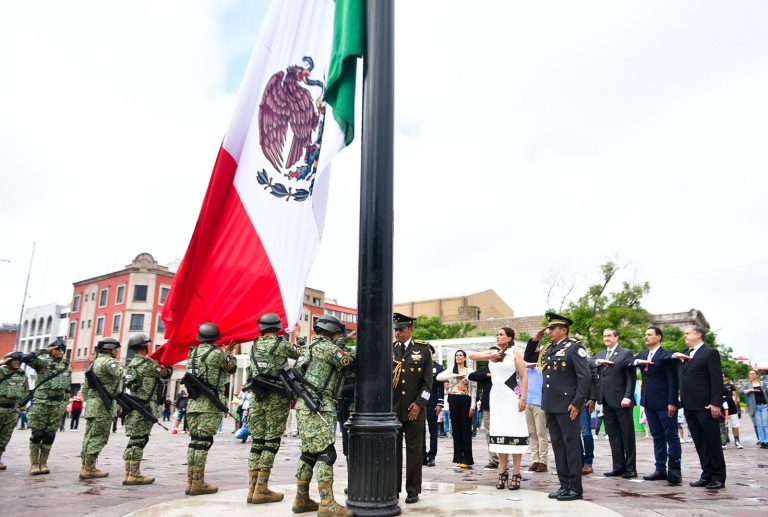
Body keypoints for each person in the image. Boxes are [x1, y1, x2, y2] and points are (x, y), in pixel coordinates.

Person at [293, 314, 355, 516]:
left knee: (309, 453)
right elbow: (347, 361)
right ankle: (327, 502)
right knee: (327, 453)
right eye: (338, 334)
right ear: (334, 333)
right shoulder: (328, 348)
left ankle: (301, 499)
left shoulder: (311, 347)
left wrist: (345, 341)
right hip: (319, 406)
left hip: (305, 405)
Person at [244, 313, 299, 505]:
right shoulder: (281, 344)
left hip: (257, 397)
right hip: (276, 397)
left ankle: (252, 488)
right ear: (277, 328)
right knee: (271, 442)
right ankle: (262, 488)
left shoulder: (255, 345)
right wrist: (296, 336)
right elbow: (300, 354)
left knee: (257, 442)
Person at [537, 312, 591, 502]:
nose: (549, 331)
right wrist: (534, 340)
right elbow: (530, 358)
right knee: (558, 446)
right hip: (551, 404)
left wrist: (577, 403)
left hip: (568, 405)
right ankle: (564, 485)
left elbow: (585, 377)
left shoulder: (574, 348)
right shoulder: (550, 348)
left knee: (572, 446)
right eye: (550, 328)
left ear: (563, 330)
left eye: (553, 329)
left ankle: (575, 488)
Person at [470, 328, 529, 490]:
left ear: (509, 338)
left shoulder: (515, 352)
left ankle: (516, 472)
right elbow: (472, 356)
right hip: (496, 397)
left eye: (501, 334)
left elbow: (524, 376)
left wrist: (523, 397)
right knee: (499, 435)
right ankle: (502, 471)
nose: (498, 336)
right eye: (497, 334)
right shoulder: (493, 352)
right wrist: (490, 356)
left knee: (514, 433)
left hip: (511, 396)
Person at [184, 322, 238, 496]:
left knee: (194, 442)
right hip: (209, 403)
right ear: (215, 338)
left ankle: (191, 481)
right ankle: (198, 483)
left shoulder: (192, 353)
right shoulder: (215, 354)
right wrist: (229, 352)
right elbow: (232, 367)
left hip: (193, 404)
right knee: (204, 443)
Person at [671, 326, 726, 490]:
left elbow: (716, 379)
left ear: (698, 335)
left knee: (712, 441)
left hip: (706, 405)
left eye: (687, 333)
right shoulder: (684, 353)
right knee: (700, 442)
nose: (684, 335)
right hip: (688, 405)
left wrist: (716, 403)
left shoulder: (710, 353)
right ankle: (706, 473)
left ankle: (718, 476)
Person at [627, 326, 682, 484]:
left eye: (649, 335)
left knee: (671, 436)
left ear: (659, 337)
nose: (646, 337)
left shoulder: (666, 355)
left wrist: (672, 401)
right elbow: (628, 362)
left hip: (665, 402)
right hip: (649, 402)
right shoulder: (643, 354)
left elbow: (673, 380)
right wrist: (638, 361)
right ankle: (660, 469)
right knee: (657, 436)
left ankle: (674, 470)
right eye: (645, 335)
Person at [392, 313, 433, 504]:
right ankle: (393, 488)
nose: (397, 333)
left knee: (415, 451)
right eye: (395, 330)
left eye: (401, 329)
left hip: (415, 409)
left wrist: (419, 404)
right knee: (394, 451)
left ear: (410, 330)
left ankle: (413, 489)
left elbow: (428, 384)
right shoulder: (390, 350)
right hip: (393, 409)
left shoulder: (423, 350)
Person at [122, 333, 173, 485]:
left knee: (134, 440)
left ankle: (128, 472)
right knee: (140, 440)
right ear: (145, 347)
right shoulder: (149, 365)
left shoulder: (130, 366)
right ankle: (134, 474)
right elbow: (165, 373)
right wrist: (168, 361)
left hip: (133, 405)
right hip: (145, 407)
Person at [590, 329, 637, 478]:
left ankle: (630, 468)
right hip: (606, 401)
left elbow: (631, 377)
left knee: (627, 435)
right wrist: (598, 361)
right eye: (604, 336)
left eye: (609, 335)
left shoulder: (625, 353)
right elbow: (588, 362)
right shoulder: (600, 355)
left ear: (617, 337)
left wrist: (628, 396)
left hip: (622, 400)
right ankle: (618, 466)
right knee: (613, 435)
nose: (606, 338)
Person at [22, 338, 72, 476]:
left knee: (50, 435)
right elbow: (25, 358)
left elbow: (68, 387)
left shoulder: (66, 365)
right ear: (51, 349)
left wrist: (65, 402)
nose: (59, 352)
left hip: (57, 405)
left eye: (61, 349)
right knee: (38, 434)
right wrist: (45, 350)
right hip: (41, 403)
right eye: (56, 349)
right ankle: (34, 464)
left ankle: (43, 463)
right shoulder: (42, 362)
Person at [79, 337, 124, 479]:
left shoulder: (93, 364)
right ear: (111, 350)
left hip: (92, 404)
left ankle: (85, 464)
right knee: (99, 436)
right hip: (103, 405)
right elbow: (124, 375)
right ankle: (89, 468)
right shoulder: (109, 362)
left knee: (89, 436)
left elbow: (85, 388)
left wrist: (90, 400)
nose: (116, 352)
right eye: (115, 349)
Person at [436, 349, 476, 469]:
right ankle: (458, 457)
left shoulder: (470, 371)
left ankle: (467, 458)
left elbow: (473, 388)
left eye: (460, 355)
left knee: (465, 429)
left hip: (465, 400)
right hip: (453, 399)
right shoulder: (451, 370)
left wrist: (473, 405)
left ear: (465, 358)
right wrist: (455, 375)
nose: (458, 357)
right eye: (456, 355)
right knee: (456, 429)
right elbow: (439, 377)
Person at [469, 346, 499, 470]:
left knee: (503, 431)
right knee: (489, 432)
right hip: (488, 405)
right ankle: (493, 459)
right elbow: (472, 376)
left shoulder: (504, 368)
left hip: (502, 404)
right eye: (489, 354)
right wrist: (488, 374)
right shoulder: (485, 369)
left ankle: (503, 457)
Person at [523, 333, 550, 473]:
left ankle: (543, 461)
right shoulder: (525, 364)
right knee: (531, 433)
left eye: (539, 347)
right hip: (527, 401)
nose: (537, 349)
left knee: (541, 433)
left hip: (540, 402)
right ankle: (535, 460)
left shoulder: (544, 363)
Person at [0, 351, 30, 470]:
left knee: (4, 437)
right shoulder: (1, 371)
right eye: (15, 359)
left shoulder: (22, 375)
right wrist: (3, 362)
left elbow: (26, 392)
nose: (18, 362)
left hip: (12, 411)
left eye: (20, 360)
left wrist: (20, 408)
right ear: (8, 360)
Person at [423, 345, 445, 468]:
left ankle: (432, 456)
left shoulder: (438, 368)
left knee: (433, 431)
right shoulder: (418, 366)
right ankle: (422, 456)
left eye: (429, 351)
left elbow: (440, 388)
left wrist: (440, 403)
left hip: (432, 403)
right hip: (419, 402)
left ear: (432, 353)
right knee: (419, 431)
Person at [740, 369, 768, 447]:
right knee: (759, 425)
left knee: (765, 424)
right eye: (750, 374)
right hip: (755, 407)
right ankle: (762, 441)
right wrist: (748, 390)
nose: (751, 375)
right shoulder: (748, 384)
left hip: (765, 406)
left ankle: (767, 440)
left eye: (753, 374)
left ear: (757, 375)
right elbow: (741, 392)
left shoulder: (762, 383)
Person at [721, 374, 742, 449]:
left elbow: (735, 396)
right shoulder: (717, 385)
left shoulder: (731, 386)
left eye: (723, 376)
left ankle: (737, 440)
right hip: (722, 408)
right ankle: (725, 440)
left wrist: (736, 406)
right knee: (723, 425)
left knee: (735, 424)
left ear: (726, 377)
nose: (722, 377)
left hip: (732, 407)